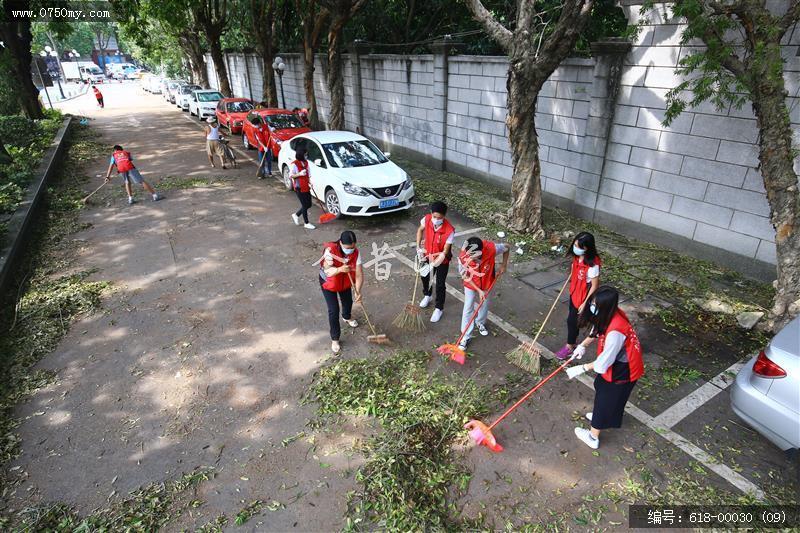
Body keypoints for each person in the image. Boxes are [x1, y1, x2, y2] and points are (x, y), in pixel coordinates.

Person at [565, 286, 644, 449]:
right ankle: (604, 417)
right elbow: (597, 330)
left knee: (605, 400)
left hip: (624, 369)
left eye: (595, 304)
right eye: (593, 302)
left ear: (606, 307)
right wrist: (582, 345)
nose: (592, 306)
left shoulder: (616, 331)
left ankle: (593, 437)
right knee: (600, 386)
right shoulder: (609, 314)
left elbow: (602, 365)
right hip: (618, 363)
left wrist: (581, 368)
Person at [456, 236, 510, 350]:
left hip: (487, 282)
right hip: (470, 283)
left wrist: (504, 265)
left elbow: (507, 247)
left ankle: (480, 322)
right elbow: (465, 276)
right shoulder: (462, 257)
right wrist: (479, 290)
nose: (471, 258)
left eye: (474, 256)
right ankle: (465, 336)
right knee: (468, 306)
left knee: (484, 304)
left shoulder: (492, 249)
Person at [555, 232, 602, 360]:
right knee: (574, 319)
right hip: (574, 292)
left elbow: (594, 286)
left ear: (587, 248)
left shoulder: (593, 265)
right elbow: (574, 269)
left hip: (583, 296)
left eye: (579, 246)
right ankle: (591, 327)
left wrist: (585, 302)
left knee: (572, 320)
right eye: (575, 244)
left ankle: (570, 346)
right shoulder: (577, 256)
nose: (575, 248)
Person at [319, 231, 363, 354]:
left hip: (345, 282)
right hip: (329, 282)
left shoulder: (356, 253)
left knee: (348, 301)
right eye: (349, 248)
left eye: (353, 247)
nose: (352, 250)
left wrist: (358, 291)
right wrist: (339, 269)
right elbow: (327, 271)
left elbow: (359, 274)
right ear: (341, 243)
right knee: (333, 310)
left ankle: (347, 317)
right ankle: (335, 338)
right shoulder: (330, 250)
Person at [415, 201, 455, 323]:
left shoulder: (450, 230)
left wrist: (434, 263)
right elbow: (420, 230)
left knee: (440, 284)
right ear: (431, 213)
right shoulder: (426, 219)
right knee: (425, 276)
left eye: (440, 218)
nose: (436, 219)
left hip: (442, 259)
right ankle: (427, 295)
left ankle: (439, 308)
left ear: (444, 216)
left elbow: (445, 251)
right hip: (427, 254)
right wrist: (418, 247)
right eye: (434, 216)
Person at [289, 145, 315, 230]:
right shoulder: (295, 164)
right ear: (301, 154)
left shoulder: (306, 163)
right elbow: (291, 176)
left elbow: (309, 174)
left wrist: (310, 182)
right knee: (304, 205)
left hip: (306, 186)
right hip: (299, 187)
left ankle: (296, 215)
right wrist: (299, 174)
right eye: (305, 154)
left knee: (309, 204)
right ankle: (306, 223)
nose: (306, 156)